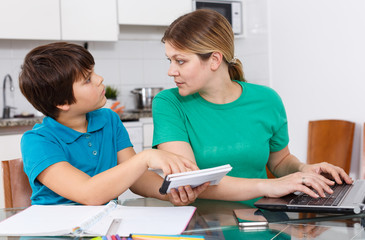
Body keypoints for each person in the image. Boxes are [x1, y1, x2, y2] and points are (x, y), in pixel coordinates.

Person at [152, 9, 353, 205]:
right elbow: (190, 180)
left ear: (214, 59)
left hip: (263, 219)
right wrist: (268, 185)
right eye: (170, 60)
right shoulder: (168, 103)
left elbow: (280, 161)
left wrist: (304, 169)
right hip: (202, 225)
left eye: (180, 61)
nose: (171, 71)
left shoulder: (267, 99)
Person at [19, 42, 207, 205]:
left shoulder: (108, 119)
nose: (99, 79)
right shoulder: (38, 141)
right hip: (57, 231)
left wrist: (171, 193)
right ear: (62, 102)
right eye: (87, 79)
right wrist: (145, 157)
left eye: (93, 73)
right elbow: (88, 193)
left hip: (104, 227)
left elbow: (137, 178)